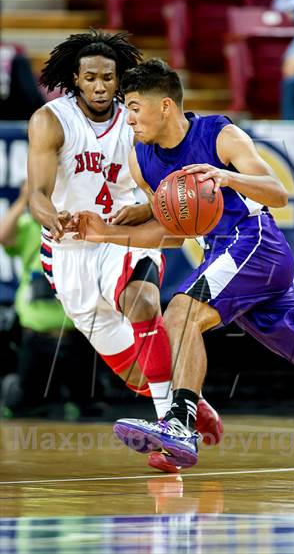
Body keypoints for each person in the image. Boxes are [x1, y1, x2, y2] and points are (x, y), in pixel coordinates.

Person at [72, 58, 294, 469]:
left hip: (255, 243)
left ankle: (179, 425)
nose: (126, 118)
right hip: (227, 255)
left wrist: (229, 178)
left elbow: (277, 193)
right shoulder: (141, 160)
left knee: (181, 312)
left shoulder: (219, 134)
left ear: (165, 105)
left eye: (132, 106)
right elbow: (176, 233)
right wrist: (104, 234)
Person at [27, 30, 222, 471]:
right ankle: (189, 401)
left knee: (142, 299)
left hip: (119, 236)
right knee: (136, 374)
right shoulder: (50, 120)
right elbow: (37, 192)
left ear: (119, 80)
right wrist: (50, 217)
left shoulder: (136, 121)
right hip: (68, 251)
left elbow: (161, 186)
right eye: (91, 77)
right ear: (75, 79)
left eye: (108, 78)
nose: (100, 86)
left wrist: (146, 207)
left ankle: (172, 431)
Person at [0, 182, 95, 418]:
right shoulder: (30, 226)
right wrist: (25, 199)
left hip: (76, 332)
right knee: (23, 403)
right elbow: (3, 235)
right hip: (36, 332)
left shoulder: (77, 223)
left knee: (86, 404)